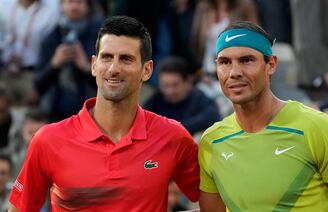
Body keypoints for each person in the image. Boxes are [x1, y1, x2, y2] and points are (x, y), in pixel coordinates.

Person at [8, 16, 199, 211]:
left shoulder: (172, 136)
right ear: (94, 65)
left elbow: (215, 204)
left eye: (126, 59)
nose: (114, 68)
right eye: (107, 57)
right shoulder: (48, 140)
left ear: (147, 70)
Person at [198, 21, 328, 211]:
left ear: (271, 65)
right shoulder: (212, 141)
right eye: (225, 62)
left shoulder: (316, 128)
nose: (234, 73)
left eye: (246, 60)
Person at [34, 0, 103, 122]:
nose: (74, 6)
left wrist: (86, 67)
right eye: (70, 2)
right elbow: (38, 85)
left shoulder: (100, 37)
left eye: (79, 2)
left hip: (91, 114)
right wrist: (54, 64)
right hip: (55, 112)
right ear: (61, 6)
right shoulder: (52, 37)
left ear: (88, 7)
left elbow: (107, 84)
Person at [144, 56, 221, 136]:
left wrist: (175, 129)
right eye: (165, 85)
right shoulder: (156, 100)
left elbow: (212, 116)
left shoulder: (198, 98)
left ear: (187, 82)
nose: (170, 91)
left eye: (175, 85)